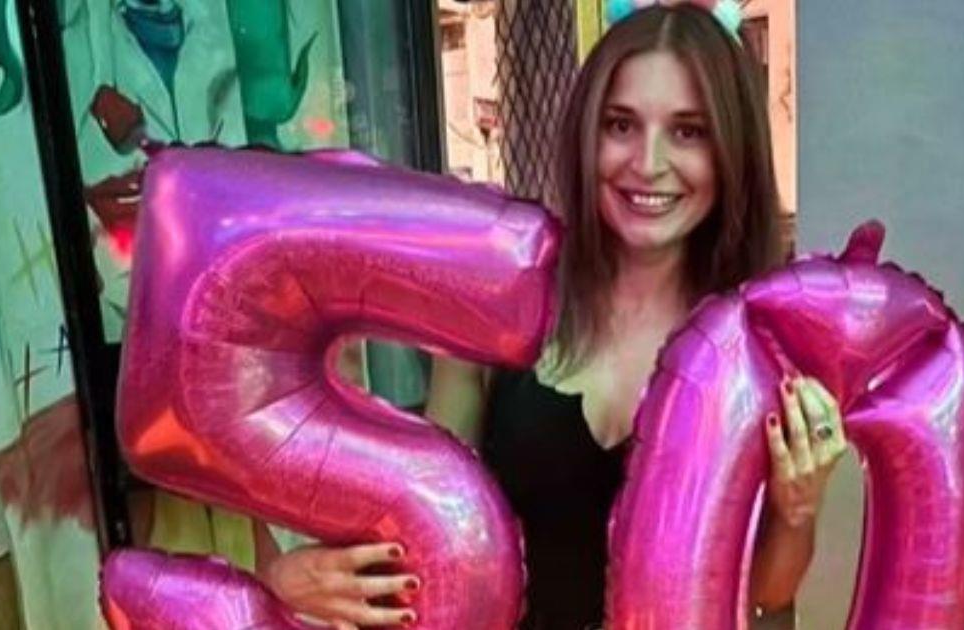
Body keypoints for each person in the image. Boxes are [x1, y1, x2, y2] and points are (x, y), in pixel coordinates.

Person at [256, 3, 848, 629]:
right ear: (587, 134)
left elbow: (765, 593)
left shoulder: (759, 344)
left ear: (732, 152)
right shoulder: (501, 306)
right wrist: (292, 580)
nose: (647, 163)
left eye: (688, 131)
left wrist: (798, 510)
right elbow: (423, 537)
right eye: (621, 125)